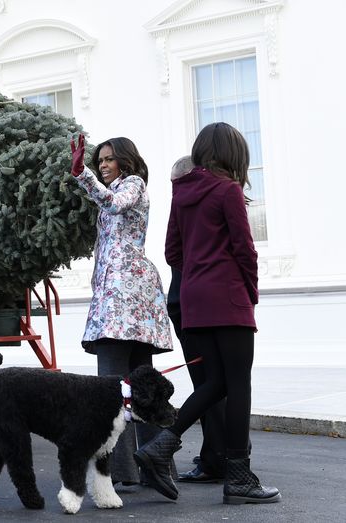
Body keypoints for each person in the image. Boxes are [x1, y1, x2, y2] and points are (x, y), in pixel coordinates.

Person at [134, 122, 280, 504]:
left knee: (214, 383)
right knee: (238, 385)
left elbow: (172, 252)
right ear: (234, 155)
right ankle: (239, 477)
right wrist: (248, 291)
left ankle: (160, 447)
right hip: (228, 298)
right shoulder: (228, 190)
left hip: (195, 299)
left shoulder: (182, 193)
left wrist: (199, 272)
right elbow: (245, 250)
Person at [70, 135, 174, 486]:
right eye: (99, 160)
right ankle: (146, 467)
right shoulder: (120, 189)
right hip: (122, 298)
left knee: (115, 386)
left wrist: (83, 175)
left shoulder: (133, 185)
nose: (103, 164)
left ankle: (124, 471)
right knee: (137, 383)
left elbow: (114, 204)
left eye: (109, 159)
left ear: (126, 161)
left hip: (125, 298)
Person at [167, 156, 227, 483]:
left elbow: (175, 257)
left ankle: (216, 458)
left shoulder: (188, 210)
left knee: (209, 385)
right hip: (211, 308)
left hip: (192, 309)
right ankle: (218, 454)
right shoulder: (214, 203)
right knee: (219, 385)